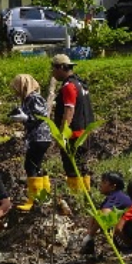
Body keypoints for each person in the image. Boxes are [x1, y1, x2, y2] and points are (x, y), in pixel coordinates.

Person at [50, 54, 95, 193]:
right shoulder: (80, 84)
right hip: (85, 133)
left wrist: (62, 134)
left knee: (72, 167)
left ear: (61, 68)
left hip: (74, 135)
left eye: (53, 69)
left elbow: (69, 109)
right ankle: (85, 194)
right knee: (82, 166)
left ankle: (76, 196)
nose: (52, 72)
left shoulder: (69, 86)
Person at [9, 73, 52, 210]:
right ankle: (44, 196)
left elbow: (41, 116)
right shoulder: (27, 99)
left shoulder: (34, 98)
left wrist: (25, 118)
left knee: (30, 166)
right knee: (36, 165)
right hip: (36, 137)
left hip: (40, 136)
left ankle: (34, 199)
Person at [82, 171, 132, 252]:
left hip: (131, 230)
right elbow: (96, 214)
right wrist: (90, 231)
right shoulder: (115, 196)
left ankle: (129, 247)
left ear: (113, 187)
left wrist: (90, 235)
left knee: (108, 221)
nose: (100, 184)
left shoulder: (116, 197)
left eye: (104, 182)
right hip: (129, 228)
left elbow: (104, 215)